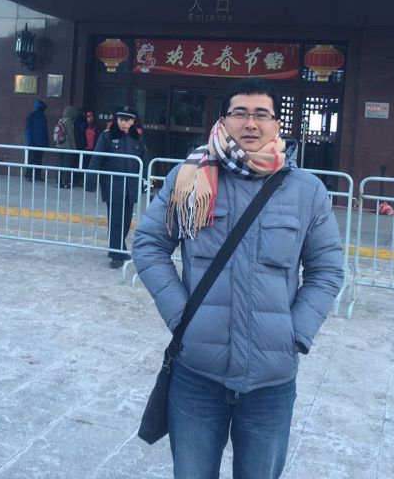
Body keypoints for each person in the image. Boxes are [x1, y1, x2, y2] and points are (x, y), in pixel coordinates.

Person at [132, 78, 343, 479]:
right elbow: (149, 244)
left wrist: (296, 333)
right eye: (240, 113)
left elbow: (327, 268)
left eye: (262, 114)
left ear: (277, 123)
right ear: (224, 120)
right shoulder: (189, 176)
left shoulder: (307, 191)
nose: (250, 122)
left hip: (270, 383)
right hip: (197, 374)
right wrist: (182, 317)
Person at [87, 105, 146, 268]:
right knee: (116, 221)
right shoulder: (107, 136)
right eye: (120, 119)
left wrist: (145, 182)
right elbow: (97, 158)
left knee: (126, 221)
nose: (123, 123)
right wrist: (90, 181)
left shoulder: (137, 138)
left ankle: (120, 248)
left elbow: (144, 161)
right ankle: (116, 255)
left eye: (126, 120)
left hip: (131, 186)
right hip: (113, 185)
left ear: (133, 121)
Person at [54, 105, 80, 188]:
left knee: (59, 165)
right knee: (67, 165)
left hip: (58, 145)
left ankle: (58, 182)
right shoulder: (69, 122)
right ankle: (66, 183)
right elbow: (71, 136)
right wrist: (74, 148)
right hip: (67, 147)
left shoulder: (60, 120)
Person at [24, 99, 49, 182]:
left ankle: (35, 176)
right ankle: (29, 175)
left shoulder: (39, 116)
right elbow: (28, 130)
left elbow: (44, 131)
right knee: (33, 159)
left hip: (37, 142)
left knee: (37, 160)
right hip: (35, 142)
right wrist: (30, 142)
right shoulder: (35, 116)